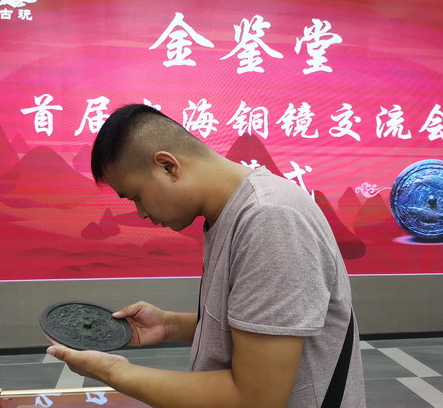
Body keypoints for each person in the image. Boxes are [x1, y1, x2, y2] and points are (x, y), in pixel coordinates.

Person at [46, 104, 366, 407]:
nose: (141, 212)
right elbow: (255, 328)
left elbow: (255, 399)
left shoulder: (269, 218)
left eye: (136, 196)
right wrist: (169, 325)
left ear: (168, 166)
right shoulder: (233, 212)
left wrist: (113, 372)